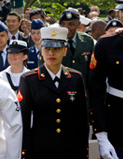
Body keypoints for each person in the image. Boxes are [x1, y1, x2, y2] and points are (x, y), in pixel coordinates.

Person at [19, 26, 89, 159]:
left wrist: (83, 150)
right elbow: (24, 120)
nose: (51, 53)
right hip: (41, 149)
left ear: (65, 51)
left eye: (56, 49)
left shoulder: (75, 78)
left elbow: (81, 119)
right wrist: (25, 152)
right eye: (47, 48)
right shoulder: (29, 80)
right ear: (41, 50)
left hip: (70, 149)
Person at [89, 0, 123, 158]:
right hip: (117, 127)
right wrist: (101, 135)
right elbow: (96, 91)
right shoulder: (107, 43)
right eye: (122, 10)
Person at [40, 8, 94, 84]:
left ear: (78, 24)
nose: (66, 28)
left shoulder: (88, 41)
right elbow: (42, 70)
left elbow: (92, 71)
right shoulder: (50, 42)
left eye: (71, 24)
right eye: (63, 24)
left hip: (82, 90)